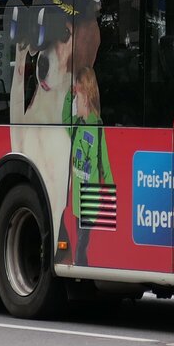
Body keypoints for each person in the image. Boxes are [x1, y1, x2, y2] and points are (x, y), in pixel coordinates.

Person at [67, 66, 112, 266]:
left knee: (81, 247)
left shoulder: (98, 127)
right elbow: (64, 120)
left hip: (91, 197)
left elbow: (105, 166)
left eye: (77, 96)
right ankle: (81, 269)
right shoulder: (75, 126)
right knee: (80, 242)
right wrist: (69, 97)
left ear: (86, 95)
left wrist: (109, 193)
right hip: (77, 199)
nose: (76, 101)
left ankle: (79, 269)